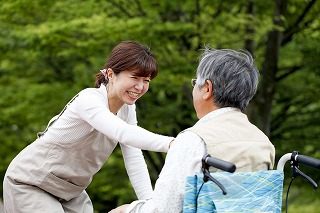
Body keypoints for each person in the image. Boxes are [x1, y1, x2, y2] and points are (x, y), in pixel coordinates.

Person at [3, 41, 174, 213]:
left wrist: (150, 204)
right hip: (31, 182)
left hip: (71, 192)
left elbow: (134, 156)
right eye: (134, 78)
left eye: (146, 80)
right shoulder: (89, 100)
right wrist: (173, 144)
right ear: (111, 74)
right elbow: (123, 133)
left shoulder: (127, 109)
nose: (140, 86)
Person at [110, 47, 275, 213]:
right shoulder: (263, 142)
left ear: (207, 89)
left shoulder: (195, 140)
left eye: (195, 83)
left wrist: (127, 210)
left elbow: (164, 209)